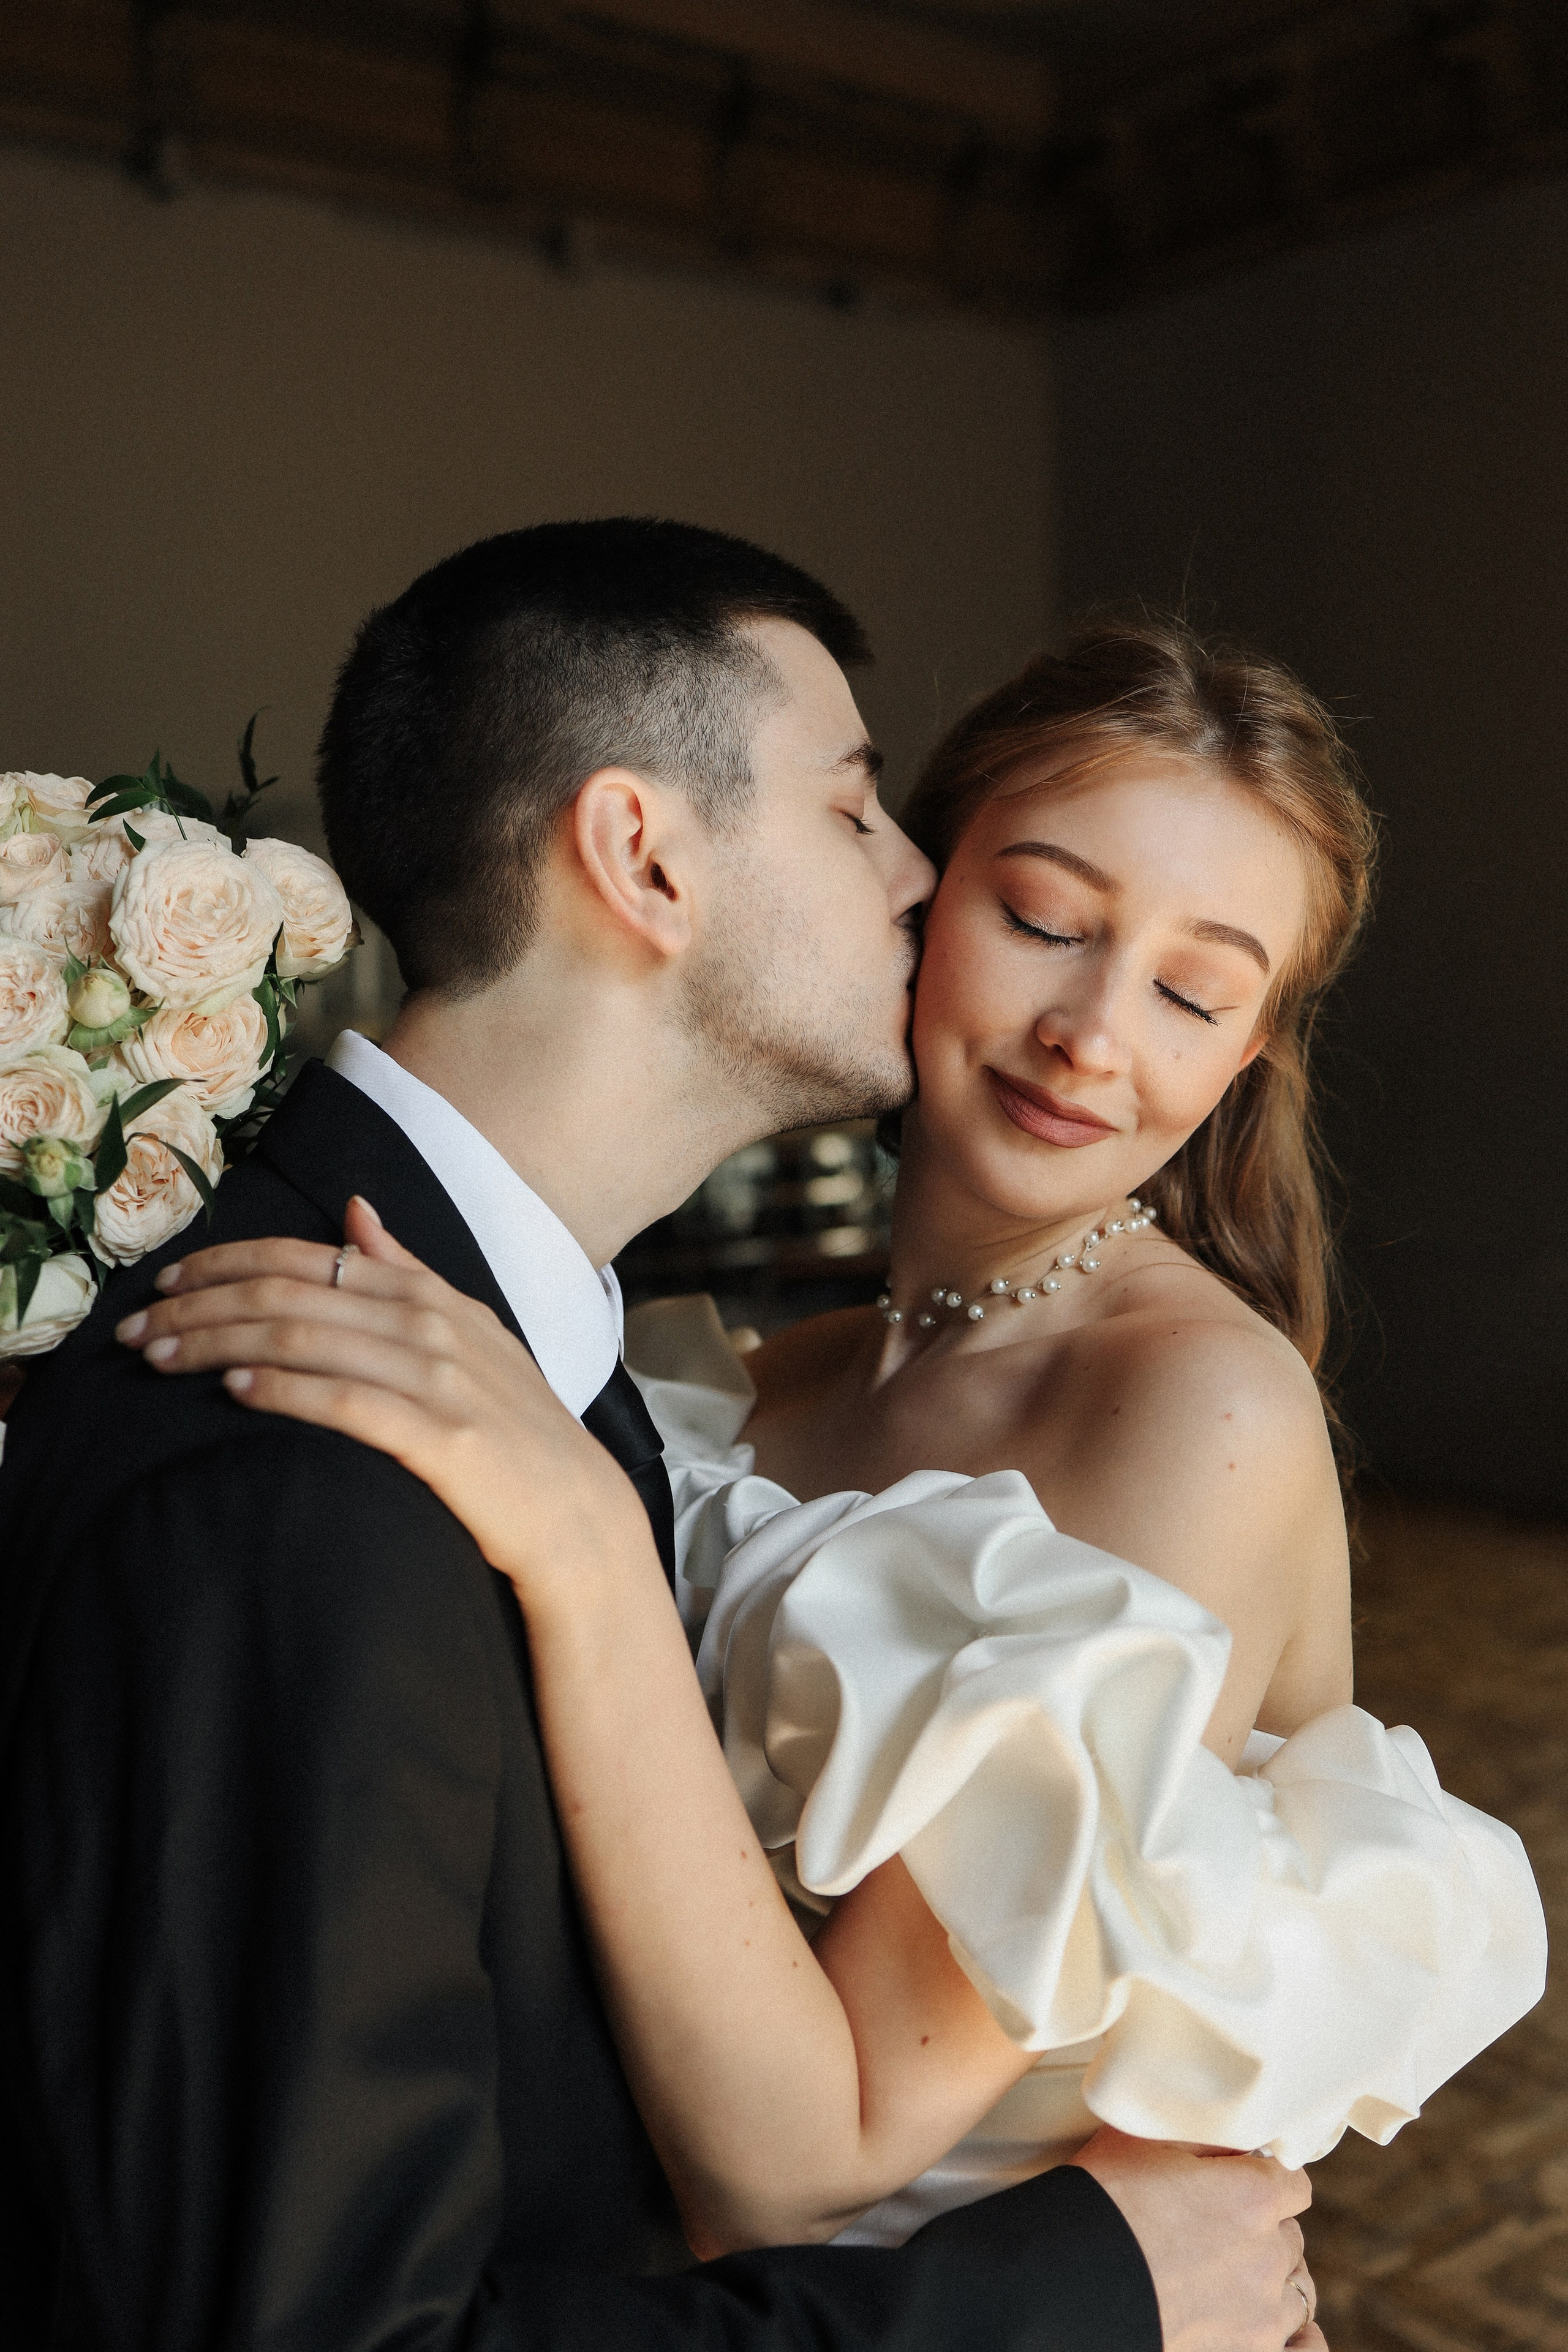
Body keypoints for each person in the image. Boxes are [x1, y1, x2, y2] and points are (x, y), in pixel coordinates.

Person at [105, 618, 1544, 2323]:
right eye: (1045, 920)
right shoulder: (771, 1380)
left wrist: (585, 1548)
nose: (1093, 1034)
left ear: (1246, 1057)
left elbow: (802, 2166)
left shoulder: (1198, 1412)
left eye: (1192, 993)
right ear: (910, 901)